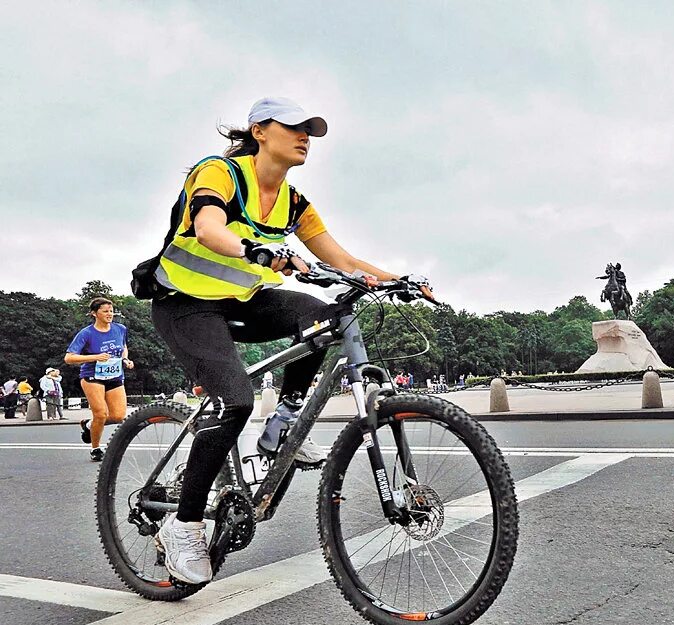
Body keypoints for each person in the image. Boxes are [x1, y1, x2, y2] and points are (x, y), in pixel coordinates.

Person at [147, 97, 433, 585]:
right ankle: (184, 524)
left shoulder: (294, 201)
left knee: (325, 317)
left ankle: (281, 426)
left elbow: (342, 259)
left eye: (311, 131)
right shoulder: (219, 172)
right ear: (260, 130)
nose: (306, 137)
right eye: (295, 127)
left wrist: (397, 279)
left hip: (240, 300)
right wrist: (255, 248)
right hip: (184, 303)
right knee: (233, 401)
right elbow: (207, 226)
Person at [65, 297, 135, 461]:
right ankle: (95, 448)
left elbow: (123, 347)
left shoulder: (120, 328)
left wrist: (125, 359)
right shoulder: (87, 333)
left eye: (111, 311)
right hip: (92, 376)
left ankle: (89, 425)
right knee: (101, 414)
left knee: (118, 416)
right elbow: (69, 358)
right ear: (94, 313)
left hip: (115, 375)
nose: (109, 314)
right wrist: (95, 357)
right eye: (105, 311)